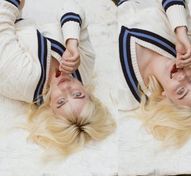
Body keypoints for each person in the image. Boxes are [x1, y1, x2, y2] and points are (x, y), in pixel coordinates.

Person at [0, 0, 115, 153]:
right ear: (88, 94)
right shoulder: (83, 69)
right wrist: (72, 41)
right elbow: (71, 7)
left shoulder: (23, 80)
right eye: (77, 94)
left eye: (61, 101)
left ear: (49, 109)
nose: (66, 87)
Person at [118, 0, 191, 145]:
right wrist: (180, 30)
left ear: (167, 99)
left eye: (180, 91)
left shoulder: (125, 93)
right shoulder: (187, 39)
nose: (183, 76)